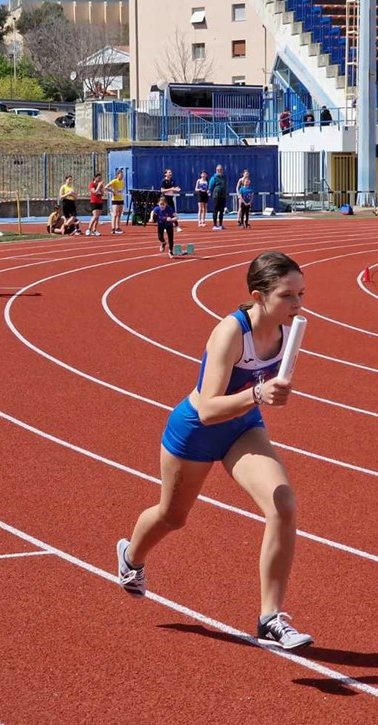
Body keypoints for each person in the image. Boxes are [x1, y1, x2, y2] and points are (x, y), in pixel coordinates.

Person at [116, 251, 313, 651]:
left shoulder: (288, 330)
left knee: (283, 504)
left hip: (242, 428)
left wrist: (269, 395)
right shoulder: (230, 331)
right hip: (196, 432)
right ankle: (131, 557)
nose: (297, 304)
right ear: (259, 296)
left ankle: (270, 617)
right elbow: (207, 408)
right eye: (287, 295)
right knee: (173, 516)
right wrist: (260, 392)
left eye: (301, 294)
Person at [105, 168, 126, 234]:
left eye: (122, 175)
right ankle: (113, 228)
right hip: (115, 200)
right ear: (117, 175)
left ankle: (118, 227)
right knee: (115, 214)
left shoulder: (122, 182)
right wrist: (112, 191)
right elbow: (106, 187)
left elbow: (122, 189)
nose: (122, 176)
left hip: (121, 199)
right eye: (121, 175)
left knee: (119, 214)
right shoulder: (114, 181)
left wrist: (120, 193)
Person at [209, 164, 228, 230]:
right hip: (216, 195)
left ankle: (220, 224)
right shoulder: (214, 178)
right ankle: (214, 225)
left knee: (222, 211)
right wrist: (209, 191)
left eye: (221, 169)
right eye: (218, 170)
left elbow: (225, 185)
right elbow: (211, 186)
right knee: (215, 210)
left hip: (223, 195)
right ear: (216, 170)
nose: (219, 171)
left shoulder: (224, 177)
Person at [87, 172, 105, 236]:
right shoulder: (92, 184)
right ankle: (89, 229)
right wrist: (99, 186)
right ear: (95, 178)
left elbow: (102, 193)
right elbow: (94, 192)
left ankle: (94, 230)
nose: (100, 179)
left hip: (100, 202)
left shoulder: (100, 184)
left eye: (101, 178)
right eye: (99, 178)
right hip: (94, 201)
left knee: (97, 217)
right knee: (95, 216)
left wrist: (102, 188)